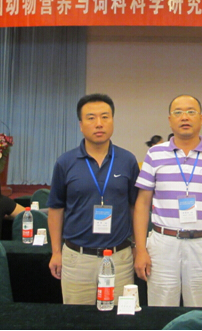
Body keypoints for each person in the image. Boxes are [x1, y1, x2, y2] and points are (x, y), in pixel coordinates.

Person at [133, 94, 202, 307]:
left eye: (191, 112)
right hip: (163, 244)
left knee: (201, 313)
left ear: (201, 118)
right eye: (178, 112)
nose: (185, 117)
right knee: (160, 311)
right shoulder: (154, 154)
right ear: (170, 120)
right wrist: (141, 249)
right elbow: (142, 204)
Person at [47, 93, 140, 305]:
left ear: (112, 121)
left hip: (119, 257)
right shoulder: (65, 162)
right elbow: (56, 209)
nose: (99, 123)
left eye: (105, 117)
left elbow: (136, 207)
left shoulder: (127, 160)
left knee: (120, 318)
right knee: (78, 319)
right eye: (91, 118)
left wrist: (137, 246)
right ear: (81, 125)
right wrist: (56, 252)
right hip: (77, 258)